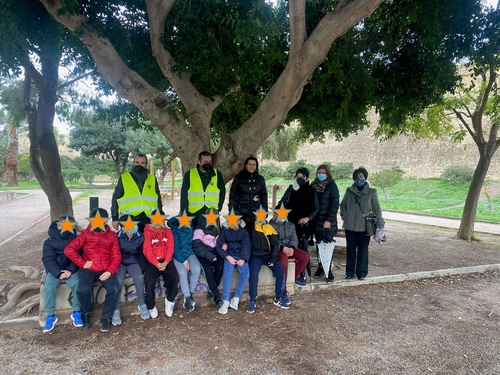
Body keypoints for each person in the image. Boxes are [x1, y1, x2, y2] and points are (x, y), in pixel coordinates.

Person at [64, 208, 122, 333]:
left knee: (115, 288)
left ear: (106, 221)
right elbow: (69, 250)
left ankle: (105, 317)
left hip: (105, 269)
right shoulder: (85, 234)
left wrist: (110, 271)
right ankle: (87, 312)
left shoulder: (111, 235)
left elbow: (116, 255)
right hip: (88, 269)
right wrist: (82, 263)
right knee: (83, 290)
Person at [340, 167, 385, 280]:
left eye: (361, 177)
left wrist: (380, 225)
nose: (359, 179)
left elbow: (377, 209)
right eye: (357, 177)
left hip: (365, 226)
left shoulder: (371, 192)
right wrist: (345, 216)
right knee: (350, 250)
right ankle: (349, 272)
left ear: (365, 178)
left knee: (363, 250)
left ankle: (361, 272)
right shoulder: (349, 191)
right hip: (350, 226)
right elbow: (343, 205)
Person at [41, 215, 82, 332]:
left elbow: (78, 256)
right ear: (58, 226)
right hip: (55, 270)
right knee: (49, 285)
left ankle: (77, 311)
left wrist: (70, 270)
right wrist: (58, 273)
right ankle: (50, 315)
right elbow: (48, 259)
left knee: (77, 283)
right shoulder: (49, 242)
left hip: (70, 269)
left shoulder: (76, 239)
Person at [276, 167, 318, 281]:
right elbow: (283, 201)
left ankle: (301, 273)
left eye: (302, 177)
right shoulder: (291, 188)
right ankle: (289, 275)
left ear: (307, 178)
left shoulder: (311, 191)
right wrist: (277, 211)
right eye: (297, 177)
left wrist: (308, 218)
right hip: (291, 222)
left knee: (303, 249)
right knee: (291, 246)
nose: (299, 179)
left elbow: (316, 208)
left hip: (304, 225)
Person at [111, 215, 149, 326]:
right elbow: (114, 252)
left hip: (133, 261)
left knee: (139, 277)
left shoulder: (139, 236)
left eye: (134, 225)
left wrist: (143, 268)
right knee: (118, 280)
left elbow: (141, 253)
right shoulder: (116, 237)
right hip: (120, 262)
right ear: (122, 227)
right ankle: (116, 309)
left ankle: (142, 304)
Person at [111, 153, 164, 232]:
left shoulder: (152, 179)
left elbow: (158, 199)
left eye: (142, 163)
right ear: (133, 163)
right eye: (137, 162)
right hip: (129, 219)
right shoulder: (124, 178)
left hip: (149, 219)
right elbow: (115, 198)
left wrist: (160, 216)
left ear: (146, 164)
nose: (139, 165)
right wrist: (115, 218)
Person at [142, 210, 179, 318]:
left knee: (174, 278)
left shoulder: (168, 231)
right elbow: (147, 250)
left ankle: (170, 300)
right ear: (151, 220)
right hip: (152, 261)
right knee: (149, 281)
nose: (158, 222)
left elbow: (170, 247)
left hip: (166, 260)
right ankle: (151, 305)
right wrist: (156, 263)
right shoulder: (147, 232)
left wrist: (166, 262)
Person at [247, 220, 288, 313]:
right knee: (253, 274)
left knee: (281, 271)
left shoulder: (270, 228)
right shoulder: (252, 227)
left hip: (268, 256)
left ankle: (279, 297)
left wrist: (273, 259)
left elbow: (275, 246)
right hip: (256, 256)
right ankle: (252, 300)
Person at [215, 213, 251, 315]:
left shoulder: (244, 231)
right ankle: (226, 300)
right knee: (228, 273)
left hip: (241, 256)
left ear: (239, 221)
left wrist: (243, 259)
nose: (232, 225)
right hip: (229, 256)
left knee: (246, 272)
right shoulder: (225, 230)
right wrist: (227, 256)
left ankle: (236, 297)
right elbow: (218, 246)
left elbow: (247, 245)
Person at [180, 151, 226, 228]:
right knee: (195, 236)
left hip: (211, 212)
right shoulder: (189, 174)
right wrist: (184, 212)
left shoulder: (217, 174)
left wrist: (219, 207)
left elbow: (222, 192)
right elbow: (184, 194)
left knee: (210, 237)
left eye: (210, 162)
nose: (208, 163)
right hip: (194, 212)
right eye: (205, 161)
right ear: (199, 161)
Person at [311, 164, 340, 282]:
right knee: (319, 245)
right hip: (316, 221)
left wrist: (328, 219)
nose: (320, 174)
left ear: (327, 174)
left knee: (327, 245)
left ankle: (328, 269)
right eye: (319, 172)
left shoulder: (332, 186)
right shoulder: (314, 185)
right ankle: (320, 267)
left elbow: (334, 204)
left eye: (323, 172)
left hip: (328, 221)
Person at [167, 216, 202, 313]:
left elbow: (192, 244)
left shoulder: (191, 228)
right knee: (182, 272)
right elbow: (176, 248)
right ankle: (187, 297)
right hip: (178, 255)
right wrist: (184, 262)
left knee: (196, 269)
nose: (188, 222)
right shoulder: (175, 230)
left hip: (190, 253)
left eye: (190, 220)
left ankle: (190, 295)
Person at [270, 213, 309, 292]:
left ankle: (292, 279)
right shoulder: (271, 225)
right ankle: (283, 288)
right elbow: (272, 241)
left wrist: (292, 247)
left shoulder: (291, 225)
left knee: (304, 257)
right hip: (279, 249)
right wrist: (282, 248)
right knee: (284, 262)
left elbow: (294, 238)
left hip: (289, 247)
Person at [228, 156, 268, 233]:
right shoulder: (238, 178)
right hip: (241, 210)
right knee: (240, 233)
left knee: (254, 234)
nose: (251, 166)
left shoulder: (260, 179)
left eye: (254, 164)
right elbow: (232, 194)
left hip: (255, 211)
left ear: (256, 166)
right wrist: (231, 211)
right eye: (250, 164)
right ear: (246, 165)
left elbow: (264, 196)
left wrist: (264, 211)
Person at [193, 214, 224, 307]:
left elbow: (219, 243)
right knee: (208, 270)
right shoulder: (199, 229)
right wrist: (211, 257)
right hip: (202, 254)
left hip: (214, 252)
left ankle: (211, 290)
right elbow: (197, 246)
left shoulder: (218, 229)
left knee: (220, 266)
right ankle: (216, 295)